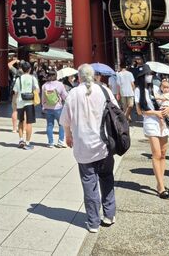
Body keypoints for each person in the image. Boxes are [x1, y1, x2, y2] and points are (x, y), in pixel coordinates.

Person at [60, 64, 116, 233]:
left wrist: (68, 136)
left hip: (83, 145)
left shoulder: (73, 93)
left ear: (79, 77)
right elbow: (116, 112)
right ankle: (109, 214)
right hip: (104, 143)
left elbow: (65, 120)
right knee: (106, 178)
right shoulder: (104, 91)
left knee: (89, 182)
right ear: (95, 76)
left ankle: (93, 222)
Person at [139, 75, 169, 198]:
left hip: (164, 122)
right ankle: (160, 186)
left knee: (163, 154)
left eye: (150, 74)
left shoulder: (157, 87)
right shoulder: (139, 90)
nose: (149, 77)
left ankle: (161, 183)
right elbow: (140, 111)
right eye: (146, 74)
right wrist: (156, 112)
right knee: (157, 154)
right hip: (151, 122)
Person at [13, 60, 39, 149]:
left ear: (22, 69)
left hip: (20, 101)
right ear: (30, 69)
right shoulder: (33, 78)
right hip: (30, 102)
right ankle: (27, 142)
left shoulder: (18, 79)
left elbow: (15, 92)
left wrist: (14, 102)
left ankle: (21, 139)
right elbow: (37, 90)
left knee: (21, 121)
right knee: (29, 122)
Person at [41, 70, 69, 148]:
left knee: (49, 125)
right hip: (58, 108)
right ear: (56, 75)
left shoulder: (44, 86)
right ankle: (60, 141)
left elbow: (43, 98)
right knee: (61, 124)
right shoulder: (60, 84)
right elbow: (65, 96)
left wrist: (43, 106)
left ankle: (50, 143)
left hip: (47, 108)